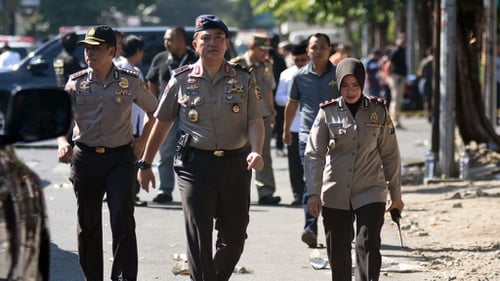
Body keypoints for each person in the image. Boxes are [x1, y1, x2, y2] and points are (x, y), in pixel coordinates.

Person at [137, 14, 265, 281]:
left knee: (235, 236)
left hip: (235, 164)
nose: (213, 43)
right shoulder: (180, 79)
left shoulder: (244, 78)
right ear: (195, 44)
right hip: (194, 166)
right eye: (206, 38)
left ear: (227, 44)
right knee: (199, 232)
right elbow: (161, 123)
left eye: (219, 38)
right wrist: (146, 164)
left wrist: (257, 150)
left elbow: (255, 119)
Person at [56, 25, 157, 281]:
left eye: (96, 48)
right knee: (87, 224)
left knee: (122, 220)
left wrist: (143, 140)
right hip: (86, 157)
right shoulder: (76, 82)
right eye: (87, 49)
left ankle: (123, 277)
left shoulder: (130, 80)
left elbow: (155, 112)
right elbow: (61, 119)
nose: (89, 53)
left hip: (119, 159)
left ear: (112, 50)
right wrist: (62, 142)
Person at [304, 57, 404, 281]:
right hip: (335, 191)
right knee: (338, 251)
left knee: (368, 244)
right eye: (345, 86)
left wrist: (396, 195)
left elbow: (390, 155)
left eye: (355, 85)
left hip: (371, 189)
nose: (350, 91)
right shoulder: (327, 113)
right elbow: (314, 154)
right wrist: (313, 193)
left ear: (363, 83)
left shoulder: (379, 112)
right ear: (338, 85)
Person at [283, 33, 339, 247]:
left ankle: (336, 230)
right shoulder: (299, 77)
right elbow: (292, 104)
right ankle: (310, 228)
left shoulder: (339, 74)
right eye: (314, 47)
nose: (318, 51)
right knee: (311, 181)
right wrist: (286, 130)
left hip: (336, 137)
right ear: (307, 50)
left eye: (322, 47)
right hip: (308, 137)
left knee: (335, 184)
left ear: (329, 49)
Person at [146, 26, 198, 204]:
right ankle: (165, 190)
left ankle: (194, 190)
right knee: (166, 152)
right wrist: (154, 105)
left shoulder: (196, 58)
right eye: (165, 39)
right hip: (167, 114)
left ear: (182, 40)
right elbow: (152, 81)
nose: (166, 43)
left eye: (170, 39)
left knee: (193, 152)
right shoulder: (160, 58)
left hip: (192, 114)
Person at [231, 33, 280, 205]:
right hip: (240, 117)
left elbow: (268, 91)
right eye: (262, 49)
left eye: (267, 50)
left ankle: (266, 191)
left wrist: (272, 113)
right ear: (252, 48)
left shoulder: (267, 65)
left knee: (262, 153)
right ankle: (235, 192)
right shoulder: (237, 65)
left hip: (263, 116)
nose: (266, 53)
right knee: (237, 154)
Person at [116, 34, 149, 207]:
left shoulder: (119, 66)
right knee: (131, 160)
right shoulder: (131, 71)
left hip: (127, 122)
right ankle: (130, 195)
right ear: (138, 51)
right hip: (131, 124)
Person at [275, 42, 309, 205]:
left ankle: (311, 193)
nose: (300, 63)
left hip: (312, 126)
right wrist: (293, 100)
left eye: (303, 60)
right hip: (293, 125)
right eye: (297, 60)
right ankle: (298, 194)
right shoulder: (287, 74)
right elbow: (278, 98)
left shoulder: (314, 74)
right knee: (294, 164)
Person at [269, 33, 288, 158]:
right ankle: (279, 145)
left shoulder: (264, 57)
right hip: (277, 92)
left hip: (267, 93)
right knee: (280, 120)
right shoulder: (279, 58)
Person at [387, 33, 408, 128]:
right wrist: (389, 77)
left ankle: (397, 119)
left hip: (401, 77)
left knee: (399, 100)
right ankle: (393, 120)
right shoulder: (395, 51)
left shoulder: (403, 51)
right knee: (395, 99)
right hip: (396, 77)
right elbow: (389, 65)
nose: (403, 42)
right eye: (401, 40)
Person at [417, 46, 434, 122]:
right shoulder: (439, 60)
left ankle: (428, 116)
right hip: (436, 84)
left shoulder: (425, 61)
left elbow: (419, 73)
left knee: (426, 101)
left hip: (426, 83)